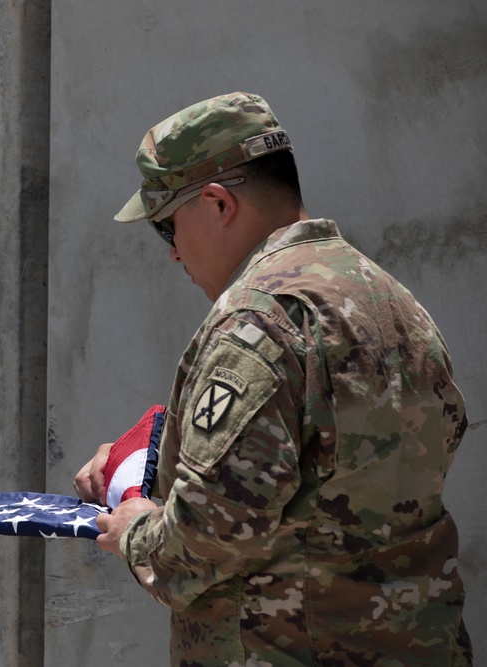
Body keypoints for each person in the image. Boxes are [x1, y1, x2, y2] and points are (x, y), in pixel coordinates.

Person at [73, 92, 472, 666]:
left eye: (167, 227)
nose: (174, 255)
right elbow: (331, 480)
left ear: (216, 204)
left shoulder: (257, 322)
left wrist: (133, 529)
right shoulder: (389, 298)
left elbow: (205, 543)